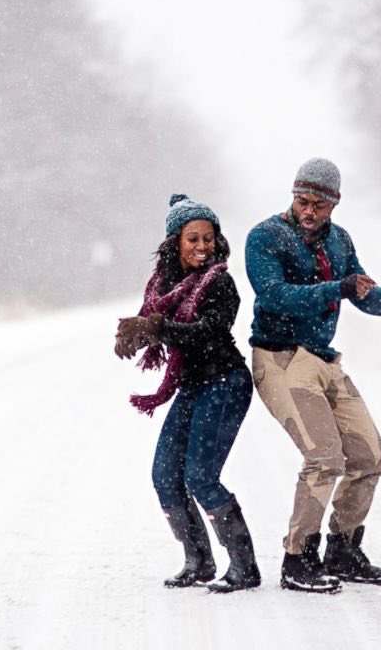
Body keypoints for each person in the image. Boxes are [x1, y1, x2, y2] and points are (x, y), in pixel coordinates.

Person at [244, 158, 381, 593]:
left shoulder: (340, 241)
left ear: (334, 204)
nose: (310, 211)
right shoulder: (266, 237)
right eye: (303, 200)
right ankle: (298, 558)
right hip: (278, 358)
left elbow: (361, 294)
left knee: (370, 457)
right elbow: (275, 295)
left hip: (324, 360)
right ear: (293, 195)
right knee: (324, 458)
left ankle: (344, 548)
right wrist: (336, 288)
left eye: (320, 203)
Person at [114, 194, 261, 593]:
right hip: (194, 386)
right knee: (165, 475)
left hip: (226, 383)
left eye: (208, 238)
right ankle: (197, 561)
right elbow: (152, 320)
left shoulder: (220, 283)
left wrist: (158, 330)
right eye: (193, 239)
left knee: (201, 476)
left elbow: (207, 333)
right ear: (175, 242)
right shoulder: (165, 284)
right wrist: (133, 333)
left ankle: (245, 568)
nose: (202, 247)